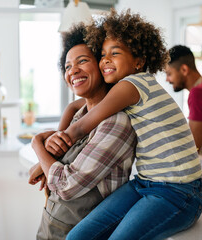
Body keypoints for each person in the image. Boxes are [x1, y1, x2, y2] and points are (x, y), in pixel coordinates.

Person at [63, 9, 202, 240]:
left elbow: (81, 126)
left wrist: (46, 154)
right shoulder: (131, 87)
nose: (105, 59)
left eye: (115, 53)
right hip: (143, 184)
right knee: (75, 237)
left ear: (139, 61)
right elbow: (77, 106)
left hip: (179, 192)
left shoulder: (131, 85)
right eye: (102, 54)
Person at [28, 23, 137, 239]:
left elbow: (66, 185)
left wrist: (36, 145)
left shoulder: (116, 122)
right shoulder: (81, 115)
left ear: (102, 65)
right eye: (67, 66)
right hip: (51, 225)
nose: (73, 70)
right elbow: (40, 172)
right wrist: (46, 153)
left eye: (82, 61)